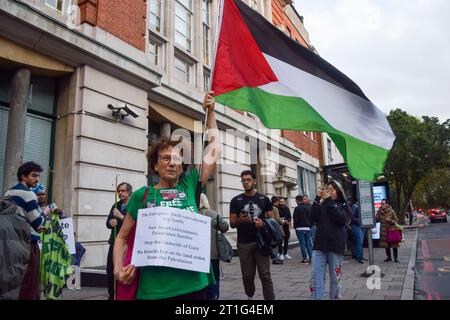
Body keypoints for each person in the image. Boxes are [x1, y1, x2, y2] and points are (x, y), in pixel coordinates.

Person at [113, 92, 220, 300]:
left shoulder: (190, 186)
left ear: (182, 167)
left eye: (176, 159)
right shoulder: (141, 196)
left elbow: (214, 151)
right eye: (165, 158)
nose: (171, 162)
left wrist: (212, 112)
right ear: (154, 165)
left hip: (195, 286)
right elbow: (122, 237)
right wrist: (118, 268)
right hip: (154, 290)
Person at [5, 161, 48, 300]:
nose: (37, 179)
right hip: (28, 243)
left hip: (10, 243)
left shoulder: (9, 192)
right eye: (34, 175)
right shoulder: (29, 195)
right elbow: (38, 223)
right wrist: (45, 212)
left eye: (38, 176)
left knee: (17, 279)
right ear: (23, 176)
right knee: (30, 282)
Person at [230, 170, 275, 300]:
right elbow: (232, 223)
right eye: (243, 180)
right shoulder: (236, 200)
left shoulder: (264, 199)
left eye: (248, 179)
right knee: (247, 276)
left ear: (254, 181)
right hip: (244, 242)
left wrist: (263, 224)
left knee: (265, 275)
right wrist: (240, 220)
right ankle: (250, 296)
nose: (245, 182)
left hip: (261, 242)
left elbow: (272, 221)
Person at [310, 181, 349, 300]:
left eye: (332, 189)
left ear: (338, 191)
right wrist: (317, 199)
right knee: (316, 278)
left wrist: (328, 202)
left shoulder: (343, 205)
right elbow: (313, 217)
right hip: (319, 246)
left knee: (335, 279)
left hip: (335, 246)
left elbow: (342, 219)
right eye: (327, 189)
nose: (329, 192)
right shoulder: (323, 205)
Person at [198, 193, 229, 300]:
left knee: (201, 279)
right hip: (213, 254)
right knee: (215, 278)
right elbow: (225, 227)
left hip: (197, 255)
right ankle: (214, 297)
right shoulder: (213, 214)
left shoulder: (193, 213)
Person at [106, 182, 132, 300]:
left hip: (127, 244)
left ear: (129, 192)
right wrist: (111, 222)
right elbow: (108, 223)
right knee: (110, 270)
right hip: (113, 243)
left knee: (123, 270)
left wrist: (121, 217)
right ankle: (112, 295)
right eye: (119, 191)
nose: (120, 193)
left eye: (123, 191)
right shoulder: (115, 205)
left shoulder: (133, 205)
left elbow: (134, 224)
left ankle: (122, 296)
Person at [293, 195, 313, 264]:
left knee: (302, 244)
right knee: (308, 243)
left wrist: (295, 227)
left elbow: (295, 219)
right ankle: (311, 258)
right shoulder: (308, 207)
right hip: (307, 227)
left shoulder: (297, 208)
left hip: (299, 228)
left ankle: (304, 258)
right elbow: (311, 218)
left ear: (297, 200)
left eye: (296, 200)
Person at [350, 197, 367, 264]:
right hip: (356, 226)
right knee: (359, 241)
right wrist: (360, 221)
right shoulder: (355, 206)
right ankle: (358, 258)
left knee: (361, 242)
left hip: (362, 225)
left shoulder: (361, 206)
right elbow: (352, 217)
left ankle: (360, 257)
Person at [270, 196, 284, 265]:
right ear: (276, 202)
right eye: (278, 201)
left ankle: (275, 258)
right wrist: (282, 222)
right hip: (275, 227)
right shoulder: (275, 208)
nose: (279, 203)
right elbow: (277, 219)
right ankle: (275, 259)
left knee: (272, 243)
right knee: (276, 243)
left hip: (269, 227)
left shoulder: (269, 207)